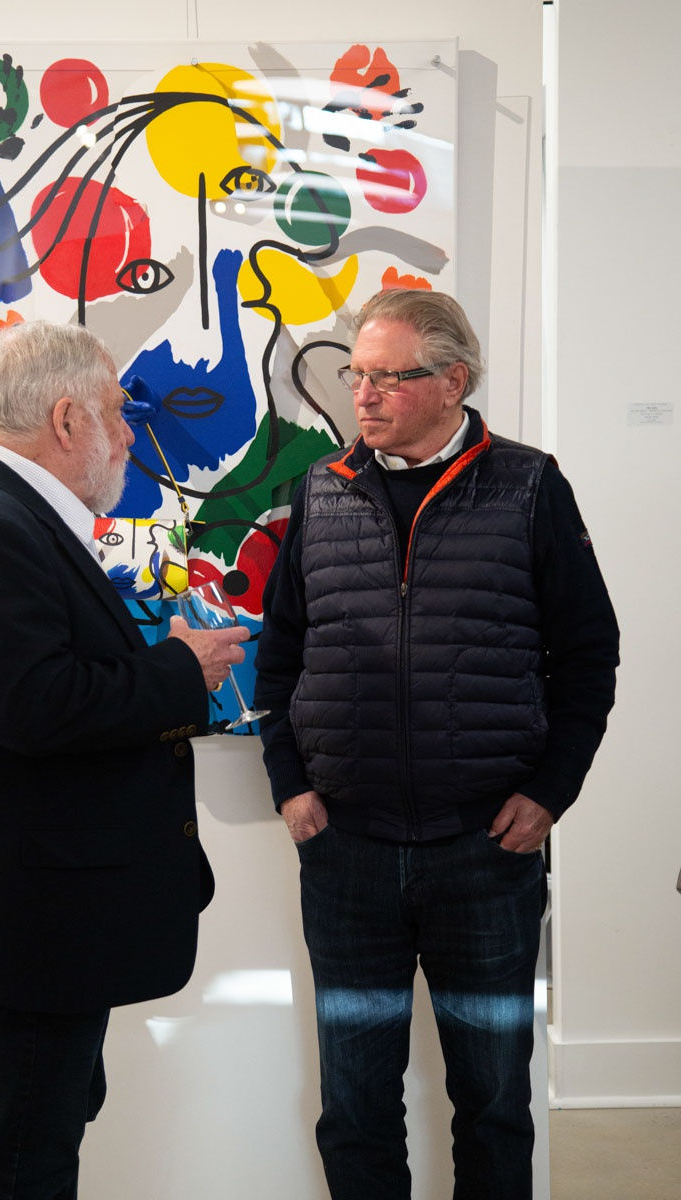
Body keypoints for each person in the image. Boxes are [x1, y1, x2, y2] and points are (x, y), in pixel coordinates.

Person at [255, 288, 619, 1200]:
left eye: (387, 377)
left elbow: (588, 652)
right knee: (355, 1100)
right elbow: (283, 651)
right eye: (355, 375)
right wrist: (288, 782)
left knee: (494, 1099)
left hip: (487, 851)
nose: (363, 396)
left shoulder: (529, 485)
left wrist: (552, 790)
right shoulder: (321, 490)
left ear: (453, 380)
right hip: (346, 852)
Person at [0, 319, 248, 1200]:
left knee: (30, 1141)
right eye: (118, 413)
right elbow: (37, 710)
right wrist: (178, 670)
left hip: (32, 917)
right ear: (67, 420)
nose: (130, 435)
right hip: (35, 923)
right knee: (21, 1164)